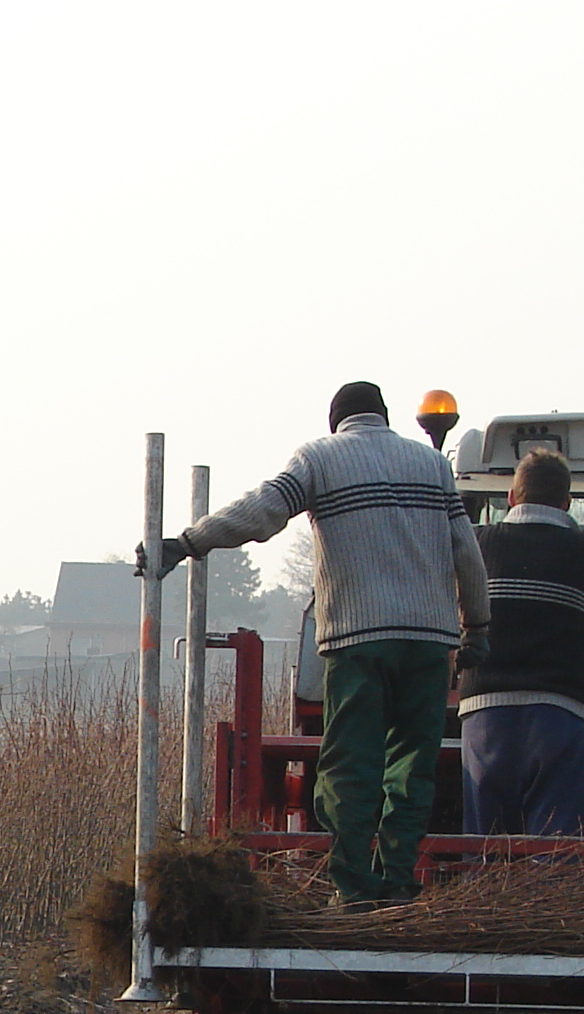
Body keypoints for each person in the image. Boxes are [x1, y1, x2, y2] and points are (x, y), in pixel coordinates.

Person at [142, 381, 490, 903]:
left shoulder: (320, 459)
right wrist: (477, 628)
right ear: (385, 417)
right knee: (412, 769)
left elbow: (262, 513)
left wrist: (189, 542)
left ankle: (353, 889)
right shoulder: (432, 465)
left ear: (336, 422)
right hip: (428, 642)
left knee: (351, 767)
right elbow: (466, 550)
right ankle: (398, 885)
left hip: (359, 640)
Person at [457, 448, 584, 836]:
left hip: (484, 713)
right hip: (557, 714)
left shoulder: (477, 545)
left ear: (511, 497)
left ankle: (480, 897)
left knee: (484, 846)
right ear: (566, 502)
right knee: (551, 848)